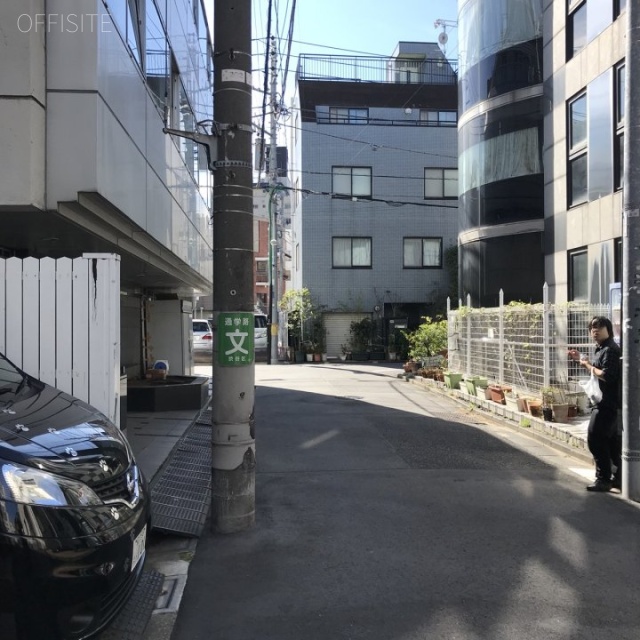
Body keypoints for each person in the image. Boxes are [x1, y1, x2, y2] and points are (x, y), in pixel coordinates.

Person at [568, 316, 622, 492]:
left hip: (608, 403)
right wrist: (583, 360)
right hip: (605, 402)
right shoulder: (602, 349)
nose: (595, 331)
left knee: (595, 439)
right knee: (611, 441)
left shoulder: (611, 350)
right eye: (592, 328)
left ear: (608, 329)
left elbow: (608, 375)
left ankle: (604, 478)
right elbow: (598, 368)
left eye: (599, 327)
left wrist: (588, 366)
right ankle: (618, 477)